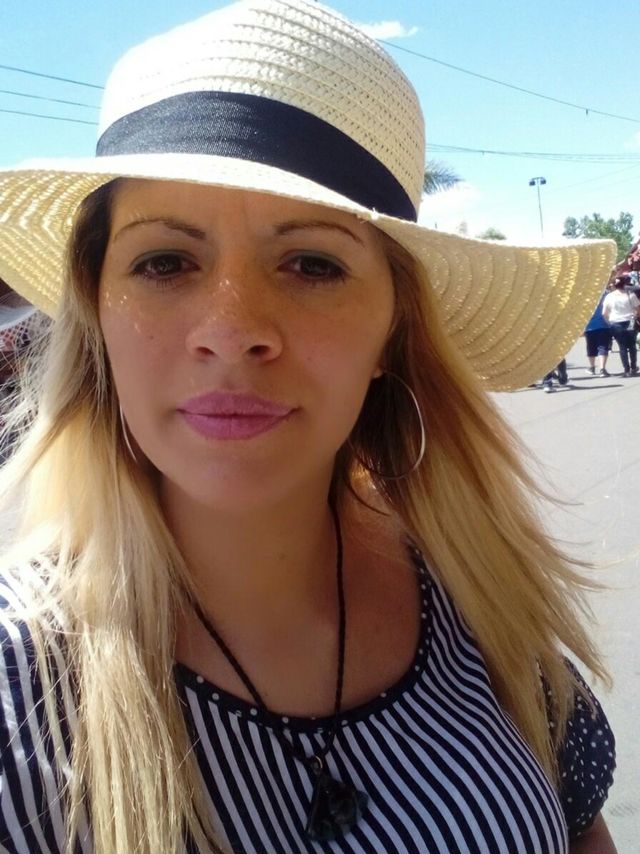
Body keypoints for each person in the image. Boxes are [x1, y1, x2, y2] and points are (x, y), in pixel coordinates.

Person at [0, 2, 618, 852]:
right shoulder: (18, 691)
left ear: (392, 331)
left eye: (313, 264)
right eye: (165, 261)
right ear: (96, 312)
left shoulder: (478, 593)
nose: (231, 330)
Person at [603, 275, 640, 376]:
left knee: (622, 346)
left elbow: (604, 313)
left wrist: (609, 323)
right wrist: (635, 316)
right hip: (630, 321)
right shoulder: (630, 295)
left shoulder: (609, 297)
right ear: (624, 284)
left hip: (615, 323)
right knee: (632, 345)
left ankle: (626, 369)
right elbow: (638, 310)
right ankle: (633, 367)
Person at [584, 290, 613, 377]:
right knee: (603, 347)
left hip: (589, 326)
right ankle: (602, 369)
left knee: (591, 347)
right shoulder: (606, 294)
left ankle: (592, 367)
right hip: (603, 325)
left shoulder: (585, 297)